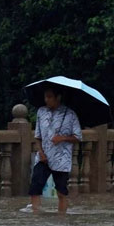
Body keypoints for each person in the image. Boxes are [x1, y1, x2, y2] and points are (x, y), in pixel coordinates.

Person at [29, 86, 82, 214]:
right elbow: (37, 136)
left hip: (62, 159)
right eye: (45, 97)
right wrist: (40, 152)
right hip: (43, 157)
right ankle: (35, 214)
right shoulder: (41, 112)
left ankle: (61, 217)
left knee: (61, 191)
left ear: (58, 97)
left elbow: (78, 137)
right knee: (35, 187)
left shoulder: (70, 114)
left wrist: (62, 138)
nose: (46, 100)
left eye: (50, 97)